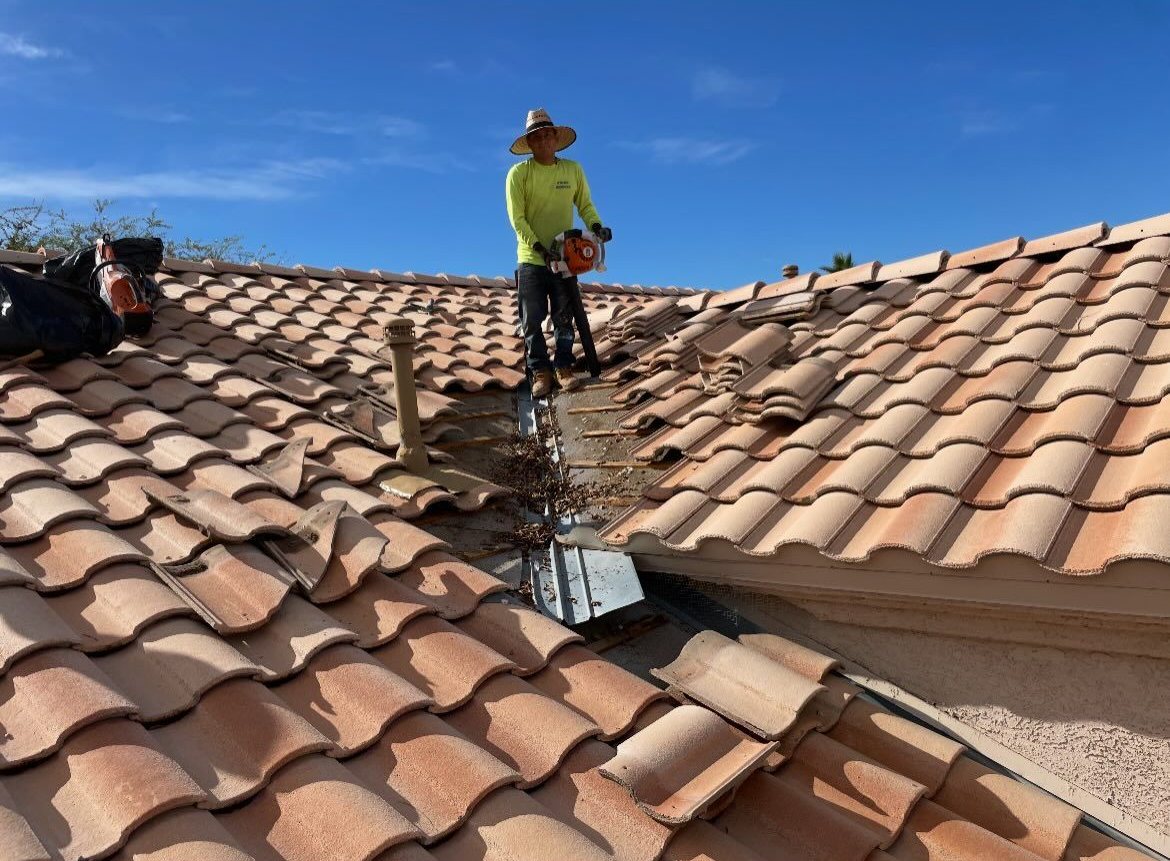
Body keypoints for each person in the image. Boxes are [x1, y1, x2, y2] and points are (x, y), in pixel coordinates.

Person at [506, 108, 611, 398]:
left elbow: (585, 205)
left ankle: (563, 366)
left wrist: (597, 226)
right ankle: (540, 371)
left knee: (564, 315)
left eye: (547, 136)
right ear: (530, 143)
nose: (543, 142)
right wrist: (539, 247)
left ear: (555, 138)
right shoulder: (519, 174)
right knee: (531, 318)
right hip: (531, 257)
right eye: (537, 138)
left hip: (566, 256)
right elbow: (518, 219)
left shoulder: (572, 170)